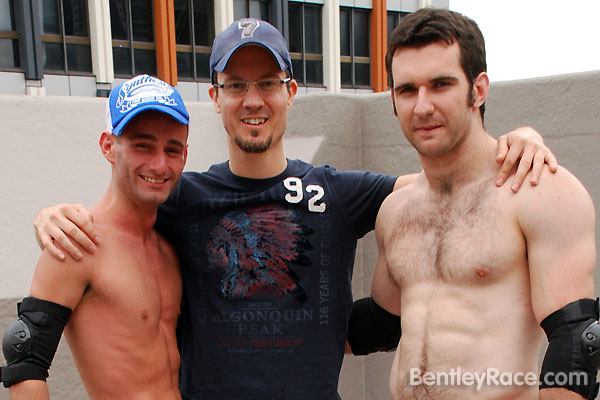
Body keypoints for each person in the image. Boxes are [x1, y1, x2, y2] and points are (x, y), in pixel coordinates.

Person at [29, 18, 558, 400]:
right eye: (236, 86)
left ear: (290, 92)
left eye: (266, 84)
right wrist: (51, 216)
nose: (252, 99)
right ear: (215, 97)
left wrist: (514, 141)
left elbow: (446, 183)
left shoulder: (340, 192)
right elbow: (122, 214)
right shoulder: (184, 197)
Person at [372, 8, 598, 400]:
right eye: (407, 90)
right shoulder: (395, 211)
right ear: (393, 99)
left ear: (478, 89)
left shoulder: (537, 189)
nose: (422, 107)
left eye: (440, 85)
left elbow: (578, 340)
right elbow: (377, 324)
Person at [0, 75, 190, 399]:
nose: (159, 164)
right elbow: (25, 363)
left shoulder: (171, 247)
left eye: (172, 149)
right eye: (143, 146)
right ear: (108, 146)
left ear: (184, 156)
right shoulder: (77, 242)